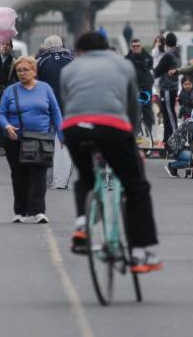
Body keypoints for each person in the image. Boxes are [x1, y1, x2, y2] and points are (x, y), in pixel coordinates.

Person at [61, 31, 162, 271]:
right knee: (136, 187)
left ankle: (82, 223)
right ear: (106, 48)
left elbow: (68, 103)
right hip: (113, 128)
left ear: (80, 51)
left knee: (85, 177)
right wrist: (133, 138)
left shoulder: (69, 69)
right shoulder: (123, 64)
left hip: (75, 128)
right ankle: (141, 251)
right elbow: (131, 106)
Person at [0, 56, 63, 223]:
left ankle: (38, 211)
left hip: (40, 139)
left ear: (34, 71)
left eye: (26, 70)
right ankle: (20, 211)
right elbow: (1, 113)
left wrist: (62, 135)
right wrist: (6, 126)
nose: (22, 73)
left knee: (38, 175)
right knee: (19, 175)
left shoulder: (45, 88)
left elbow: (55, 111)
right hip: (15, 139)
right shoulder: (10, 91)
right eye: (19, 70)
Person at [37, 35, 76, 191]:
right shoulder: (72, 61)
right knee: (63, 146)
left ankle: (48, 179)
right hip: (68, 109)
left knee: (46, 144)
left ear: (46, 46)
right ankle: (62, 180)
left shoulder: (40, 62)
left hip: (46, 109)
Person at [126, 37, 156, 141]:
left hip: (145, 88)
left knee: (147, 110)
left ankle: (149, 132)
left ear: (141, 46)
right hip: (133, 88)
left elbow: (151, 66)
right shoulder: (127, 58)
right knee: (134, 110)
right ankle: (136, 132)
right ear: (131, 47)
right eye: (134, 46)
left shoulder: (147, 57)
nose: (136, 48)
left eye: (138, 46)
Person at [154, 32, 181, 138]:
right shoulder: (177, 54)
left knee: (169, 113)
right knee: (167, 113)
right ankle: (167, 137)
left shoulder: (168, 56)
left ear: (166, 43)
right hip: (173, 86)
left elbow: (157, 71)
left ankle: (175, 137)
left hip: (167, 88)